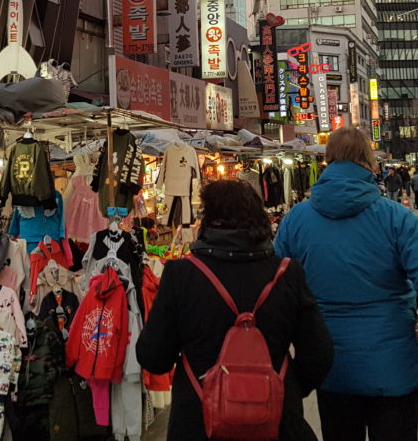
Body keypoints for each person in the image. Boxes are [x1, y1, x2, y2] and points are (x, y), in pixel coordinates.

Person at [274, 127, 418, 441]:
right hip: (392, 364)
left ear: (328, 159)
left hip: (329, 364)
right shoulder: (397, 219)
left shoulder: (296, 220)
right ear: (368, 161)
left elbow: (276, 287)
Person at [137, 179, 333, 441]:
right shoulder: (287, 273)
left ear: (208, 220)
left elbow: (153, 357)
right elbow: (320, 353)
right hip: (276, 422)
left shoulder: (181, 275)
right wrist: (284, 387)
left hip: (197, 424)